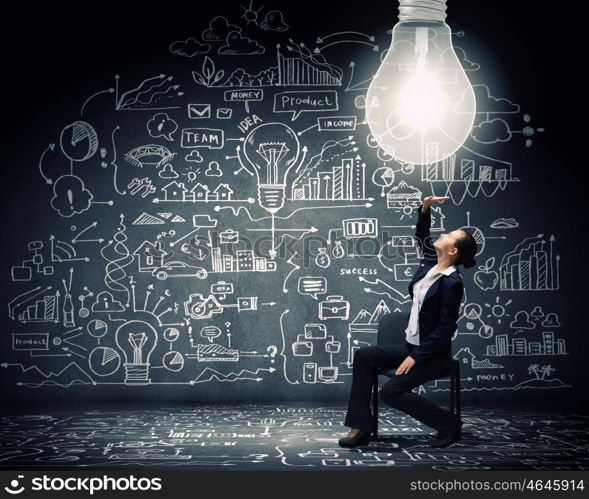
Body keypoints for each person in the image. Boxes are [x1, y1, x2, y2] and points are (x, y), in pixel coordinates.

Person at [339, 196, 477, 448]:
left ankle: (449, 423)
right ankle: (361, 427)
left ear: (453, 250)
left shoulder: (452, 282)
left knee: (390, 392)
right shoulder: (429, 264)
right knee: (364, 356)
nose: (443, 234)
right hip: (410, 347)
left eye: (449, 235)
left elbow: (446, 328)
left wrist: (417, 356)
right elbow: (421, 235)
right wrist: (425, 208)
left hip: (432, 356)